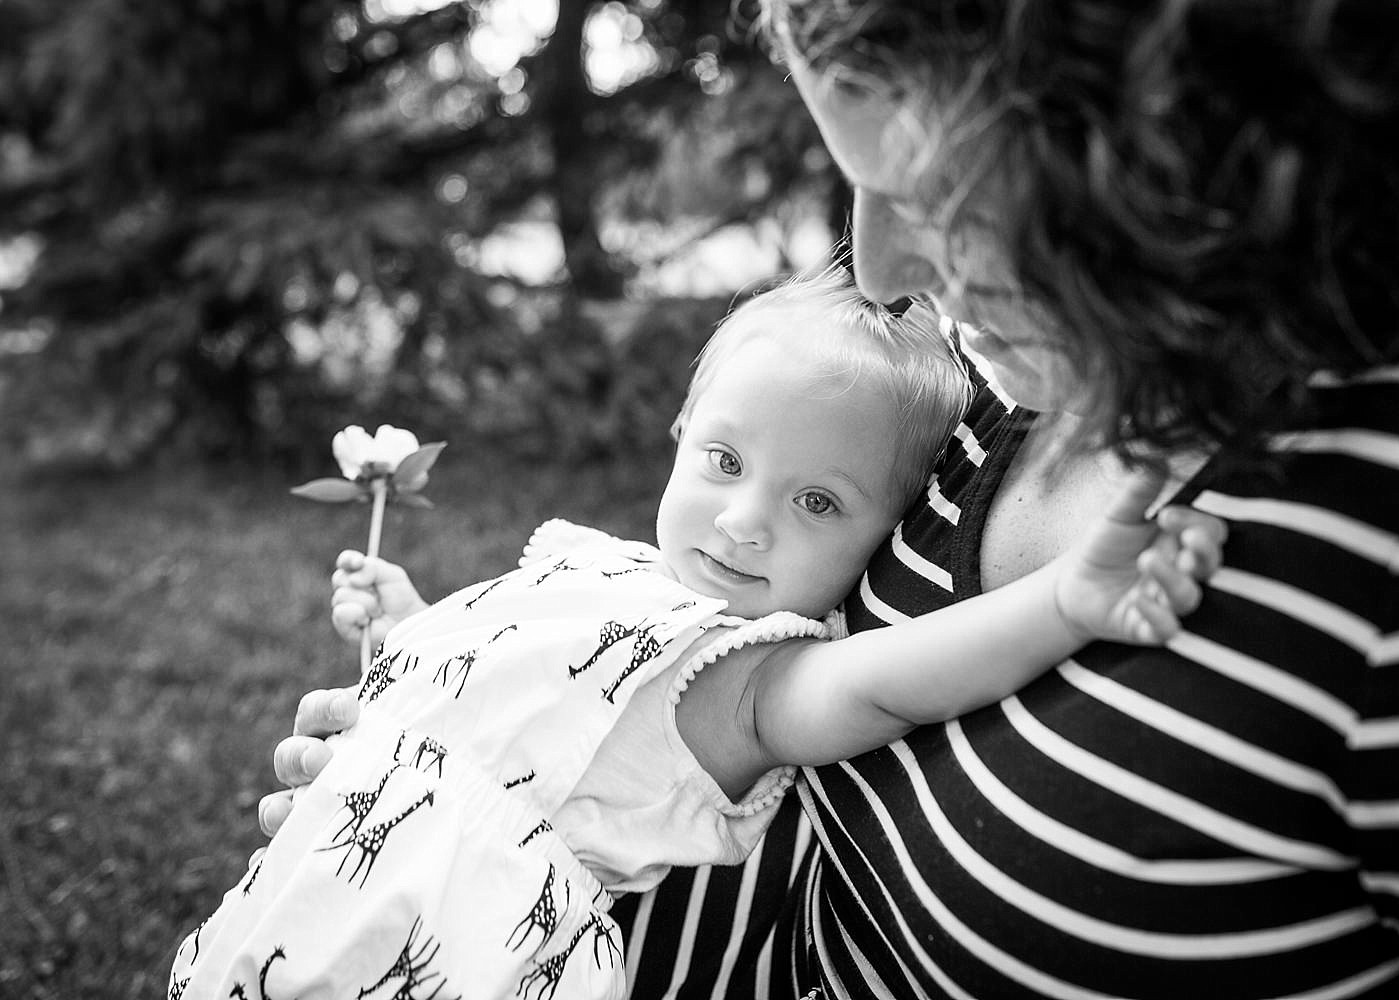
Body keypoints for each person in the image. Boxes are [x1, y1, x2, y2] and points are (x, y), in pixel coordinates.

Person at [264, 2, 1399, 997]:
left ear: (1164, 149)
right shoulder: (994, 397)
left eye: (929, 186)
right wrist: (461, 796)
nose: (885, 265)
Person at [173, 268, 1223, 1000]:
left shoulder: (734, 682)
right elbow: (526, 693)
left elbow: (879, 687)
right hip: (335, 900)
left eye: (819, 503)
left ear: (883, 531)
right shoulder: (612, 579)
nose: (745, 518)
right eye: (726, 462)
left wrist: (1061, 603)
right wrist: (417, 627)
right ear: (681, 435)